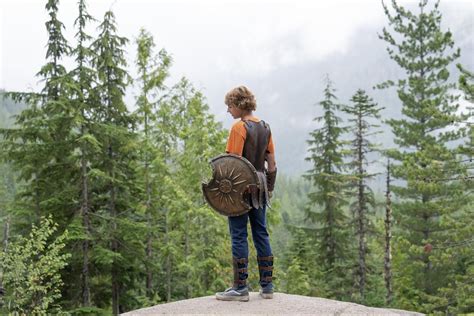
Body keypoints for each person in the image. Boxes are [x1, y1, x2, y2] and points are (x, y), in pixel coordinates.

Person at [215, 86, 277, 302]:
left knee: (239, 233)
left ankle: (240, 288)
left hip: (240, 187)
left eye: (230, 106)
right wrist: (268, 188)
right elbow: (271, 163)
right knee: (261, 232)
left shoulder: (239, 128)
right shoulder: (265, 127)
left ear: (240, 105)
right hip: (259, 185)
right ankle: (267, 286)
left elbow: (232, 163)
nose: (229, 111)